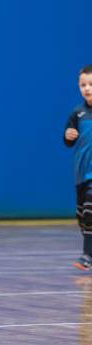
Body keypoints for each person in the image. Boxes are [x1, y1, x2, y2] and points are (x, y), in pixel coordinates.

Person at [65, 65, 92, 271]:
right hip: (81, 173)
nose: (87, 88)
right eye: (83, 85)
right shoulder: (78, 113)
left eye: (91, 84)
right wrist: (68, 136)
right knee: (82, 217)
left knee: (90, 211)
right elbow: (68, 141)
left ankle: (87, 255)